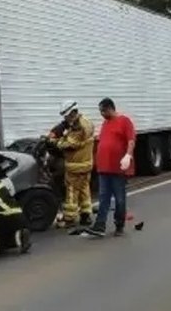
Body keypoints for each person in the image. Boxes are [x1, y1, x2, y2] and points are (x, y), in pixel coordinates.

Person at [84, 97, 135, 238]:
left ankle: (119, 224)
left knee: (119, 198)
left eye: (103, 111)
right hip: (104, 168)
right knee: (103, 197)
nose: (102, 114)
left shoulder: (124, 121)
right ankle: (100, 225)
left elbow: (131, 140)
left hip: (117, 168)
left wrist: (128, 155)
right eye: (101, 111)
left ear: (111, 108)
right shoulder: (105, 123)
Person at [51, 100, 95, 228]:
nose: (66, 119)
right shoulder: (86, 121)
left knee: (71, 191)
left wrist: (55, 142)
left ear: (73, 112)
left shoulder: (78, 127)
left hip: (76, 165)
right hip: (86, 163)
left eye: (67, 116)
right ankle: (86, 216)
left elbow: (68, 144)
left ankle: (69, 219)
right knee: (84, 189)